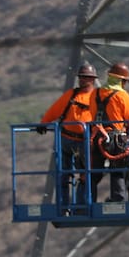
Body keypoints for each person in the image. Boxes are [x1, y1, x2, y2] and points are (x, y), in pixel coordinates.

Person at [38, 63, 98, 206]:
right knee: (64, 174)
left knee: (85, 174)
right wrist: (43, 123)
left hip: (85, 141)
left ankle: (82, 205)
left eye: (86, 77)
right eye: (81, 77)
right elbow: (54, 110)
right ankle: (63, 204)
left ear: (93, 79)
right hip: (66, 140)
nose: (82, 80)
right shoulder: (71, 95)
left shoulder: (97, 98)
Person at [90, 62, 129, 202]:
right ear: (122, 81)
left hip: (96, 137)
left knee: (93, 171)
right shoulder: (122, 96)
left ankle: (88, 200)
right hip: (115, 139)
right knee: (118, 169)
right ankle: (118, 198)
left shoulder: (95, 93)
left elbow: (91, 113)